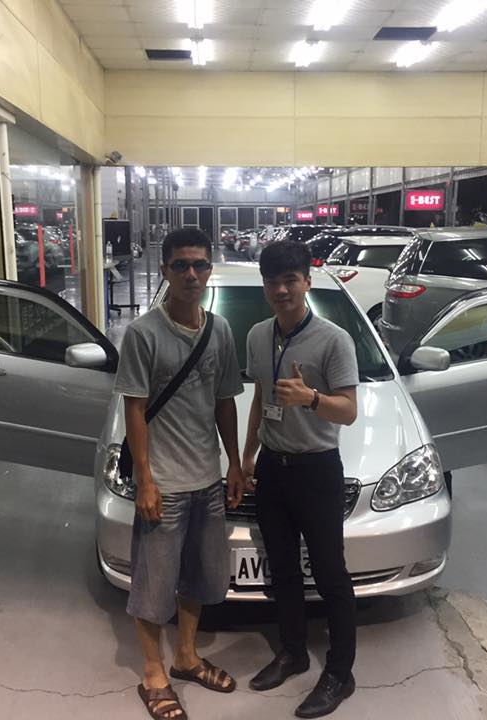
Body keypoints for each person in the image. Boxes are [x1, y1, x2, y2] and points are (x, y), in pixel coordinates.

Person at [114, 228, 246, 720]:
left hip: (207, 481)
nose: (192, 274)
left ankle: (186, 657)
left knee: (199, 576)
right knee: (153, 584)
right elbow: (134, 408)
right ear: (165, 270)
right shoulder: (143, 333)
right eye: (181, 265)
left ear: (209, 270)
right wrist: (145, 482)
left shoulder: (220, 330)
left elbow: (224, 401)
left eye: (200, 265)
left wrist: (234, 463)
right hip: (164, 485)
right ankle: (153, 674)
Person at [242, 240, 359, 718]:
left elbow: (348, 411)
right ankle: (293, 652)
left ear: (307, 282)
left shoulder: (334, 340)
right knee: (284, 569)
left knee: (330, 574)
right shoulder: (257, 336)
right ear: (265, 287)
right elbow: (260, 398)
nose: (281, 290)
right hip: (273, 468)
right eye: (272, 282)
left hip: (317, 469)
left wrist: (310, 398)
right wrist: (246, 457)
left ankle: (340, 673)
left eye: (290, 280)